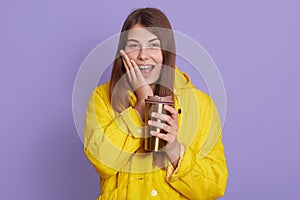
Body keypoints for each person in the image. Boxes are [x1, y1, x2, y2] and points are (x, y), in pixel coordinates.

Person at [84, 7, 228, 200]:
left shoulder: (201, 104)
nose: (143, 55)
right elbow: (103, 162)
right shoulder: (102, 97)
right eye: (134, 45)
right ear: (123, 52)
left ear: (165, 51)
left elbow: (214, 186)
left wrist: (175, 150)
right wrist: (142, 102)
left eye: (153, 45)